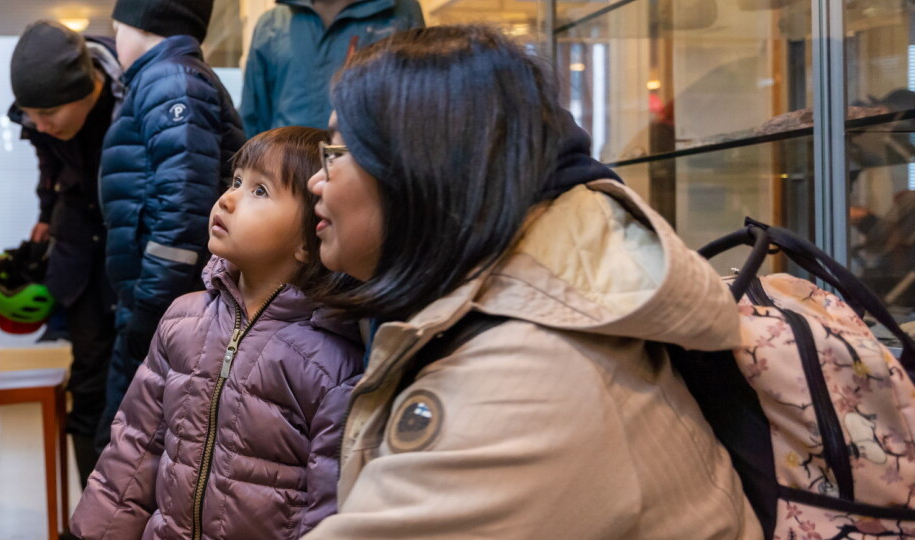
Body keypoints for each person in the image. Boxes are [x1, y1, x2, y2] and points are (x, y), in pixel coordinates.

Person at [301, 26, 762, 539]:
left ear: (421, 165)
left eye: (337, 151)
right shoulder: (508, 312)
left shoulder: (522, 378)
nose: (315, 180)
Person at [71, 127, 361, 539]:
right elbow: (135, 447)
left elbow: (327, 506)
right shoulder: (182, 319)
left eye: (259, 191)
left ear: (307, 238)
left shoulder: (331, 360)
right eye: (236, 181)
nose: (227, 198)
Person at [97, 0, 246, 449]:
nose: (115, 39)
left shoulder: (172, 82)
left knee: (132, 444)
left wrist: (151, 307)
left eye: (117, 28)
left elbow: (184, 208)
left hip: (166, 305)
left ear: (144, 24)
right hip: (154, 299)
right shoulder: (162, 80)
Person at [6, 19, 123, 486]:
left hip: (129, 253)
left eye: (48, 114)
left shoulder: (130, 97)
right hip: (80, 252)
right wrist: (46, 210)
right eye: (30, 115)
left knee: (140, 386)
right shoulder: (42, 122)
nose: (40, 125)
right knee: (88, 383)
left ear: (87, 90)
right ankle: (94, 512)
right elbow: (48, 163)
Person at [240, 0, 424, 137]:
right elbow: (253, 116)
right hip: (289, 167)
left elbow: (418, 107)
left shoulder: (401, 13)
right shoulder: (272, 24)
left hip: (368, 166)